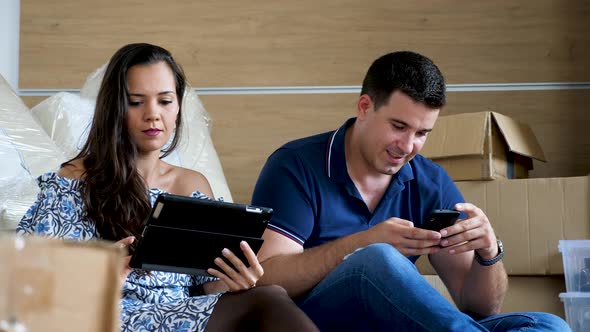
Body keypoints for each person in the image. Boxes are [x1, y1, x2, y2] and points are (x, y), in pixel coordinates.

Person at [251, 51, 570, 331]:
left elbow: (480, 308)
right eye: (398, 127)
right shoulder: (294, 165)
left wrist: (488, 254)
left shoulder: (430, 181)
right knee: (378, 258)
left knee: (546, 325)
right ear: (364, 107)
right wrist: (361, 244)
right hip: (313, 320)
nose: (407, 146)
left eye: (422, 133)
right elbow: (267, 278)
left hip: (397, 322)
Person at [17, 43, 318, 332]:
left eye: (165, 101)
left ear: (177, 107)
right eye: (136, 102)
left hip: (183, 317)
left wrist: (234, 279)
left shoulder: (192, 184)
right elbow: (27, 292)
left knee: (265, 295)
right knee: (267, 300)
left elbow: (201, 287)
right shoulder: (68, 185)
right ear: (114, 109)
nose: (153, 114)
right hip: (109, 317)